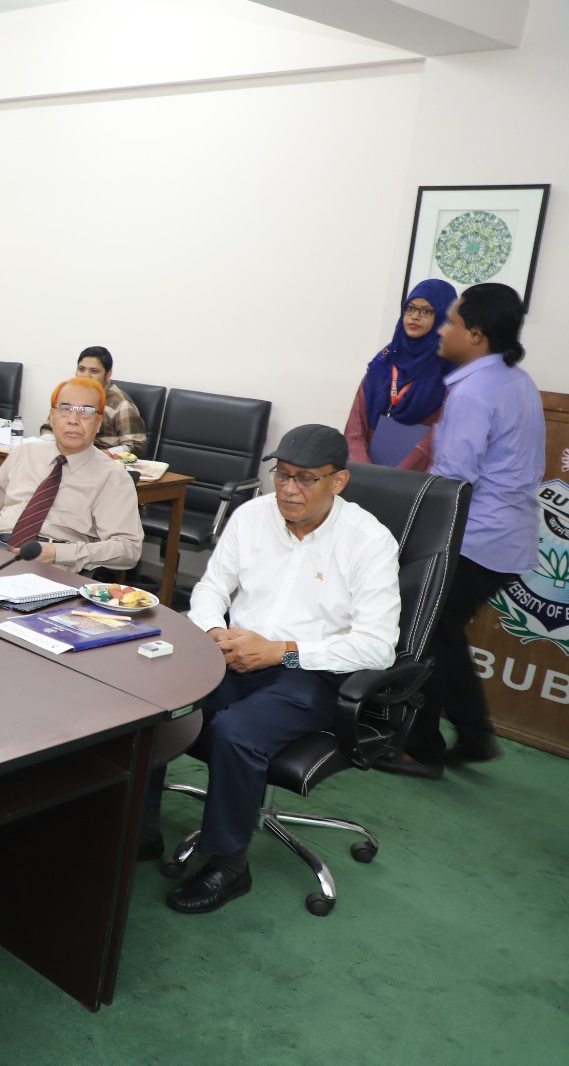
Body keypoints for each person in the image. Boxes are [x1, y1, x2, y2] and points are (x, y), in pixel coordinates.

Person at [151, 424, 400, 914]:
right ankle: (139, 829)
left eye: (305, 478)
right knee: (159, 702)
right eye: (282, 475)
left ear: (338, 481)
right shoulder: (252, 515)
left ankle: (229, 865)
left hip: (310, 673)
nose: (288, 489)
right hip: (233, 654)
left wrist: (281, 651)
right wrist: (212, 630)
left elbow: (377, 649)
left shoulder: (369, 541)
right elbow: (211, 588)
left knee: (236, 733)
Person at [392, 283, 545, 775]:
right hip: (508, 538)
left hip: (475, 538)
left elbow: (452, 484)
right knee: (443, 632)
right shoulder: (515, 380)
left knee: (423, 633)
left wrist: (416, 539)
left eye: (452, 321)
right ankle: (475, 734)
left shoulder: (473, 393)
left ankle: (422, 749)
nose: (442, 329)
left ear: (476, 334)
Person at [0, 377, 143, 571]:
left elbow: (128, 549)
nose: (73, 420)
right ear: (52, 416)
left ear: (98, 422)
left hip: (56, 567)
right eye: (66, 409)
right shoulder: (24, 453)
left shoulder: (113, 477)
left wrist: (59, 553)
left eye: (85, 412)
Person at [344, 279, 458, 471]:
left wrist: (397, 477)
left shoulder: (449, 370)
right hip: (367, 472)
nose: (415, 316)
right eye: (410, 308)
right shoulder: (384, 361)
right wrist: (364, 469)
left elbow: (438, 436)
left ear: (444, 317)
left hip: (417, 477)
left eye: (426, 311)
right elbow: (355, 426)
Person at [75, 346, 146, 455]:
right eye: (81, 369)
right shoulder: (69, 395)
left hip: (102, 460)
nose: (85, 376)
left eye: (94, 371)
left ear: (108, 374)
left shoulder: (121, 404)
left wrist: (100, 455)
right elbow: (49, 428)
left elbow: (134, 446)